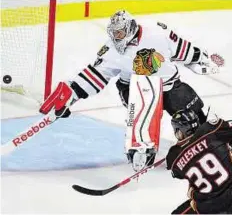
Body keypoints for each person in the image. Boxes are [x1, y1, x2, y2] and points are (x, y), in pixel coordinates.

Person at [39, 10, 224, 170]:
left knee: (190, 113)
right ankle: (140, 147)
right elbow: (95, 74)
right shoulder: (111, 49)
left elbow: (182, 49)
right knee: (145, 106)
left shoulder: (158, 32)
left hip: (169, 83)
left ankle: (206, 140)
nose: (116, 37)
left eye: (119, 33)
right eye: (114, 33)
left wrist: (201, 58)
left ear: (129, 29)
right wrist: (72, 94)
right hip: (135, 86)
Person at [166, 109, 232, 214]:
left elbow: (177, 173)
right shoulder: (211, 129)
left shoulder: (173, 156)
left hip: (209, 206)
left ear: (179, 131)